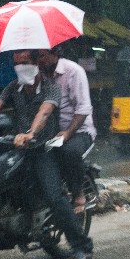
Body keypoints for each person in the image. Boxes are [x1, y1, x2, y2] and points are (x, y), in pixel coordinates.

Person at [0, 49, 94, 259]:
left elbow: (44, 113)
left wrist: (30, 134)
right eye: (16, 63)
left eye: (25, 62)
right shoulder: (13, 87)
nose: (20, 68)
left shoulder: (51, 87)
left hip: (42, 148)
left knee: (54, 195)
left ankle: (82, 246)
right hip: (17, 148)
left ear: (37, 62)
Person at [37, 46, 95, 214]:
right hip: (50, 132)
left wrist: (68, 133)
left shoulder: (73, 71)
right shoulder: (39, 76)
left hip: (79, 131)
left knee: (68, 151)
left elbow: (83, 109)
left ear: (55, 53)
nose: (39, 61)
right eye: (37, 57)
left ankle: (78, 193)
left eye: (42, 56)